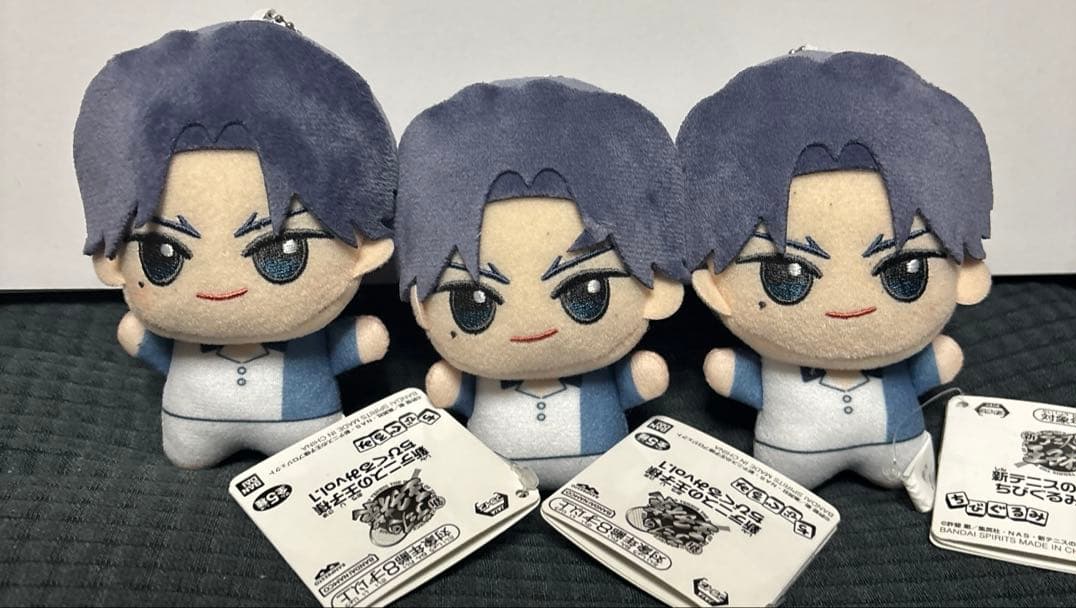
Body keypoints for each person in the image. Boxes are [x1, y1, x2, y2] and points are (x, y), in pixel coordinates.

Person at [73, 19, 397, 468]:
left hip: (307, 435)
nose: (221, 285)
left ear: (365, 251)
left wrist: (357, 342)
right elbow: (142, 341)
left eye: (280, 254)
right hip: (195, 427)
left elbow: (356, 345)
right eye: (164, 255)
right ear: (111, 262)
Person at [678, 50, 993, 511]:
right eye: (787, 277)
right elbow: (730, 375)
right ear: (713, 289)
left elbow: (940, 362)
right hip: (791, 460)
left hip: (898, 454)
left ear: (966, 278)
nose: (848, 302)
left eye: (904, 272)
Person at [395, 77, 688, 488]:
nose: (530, 324)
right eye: (475, 304)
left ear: (658, 291)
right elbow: (450, 393)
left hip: (600, 480)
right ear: (420, 306)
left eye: (585, 293)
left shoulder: (599, 374)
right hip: (494, 482)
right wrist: (452, 391)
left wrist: (639, 380)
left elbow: (640, 382)